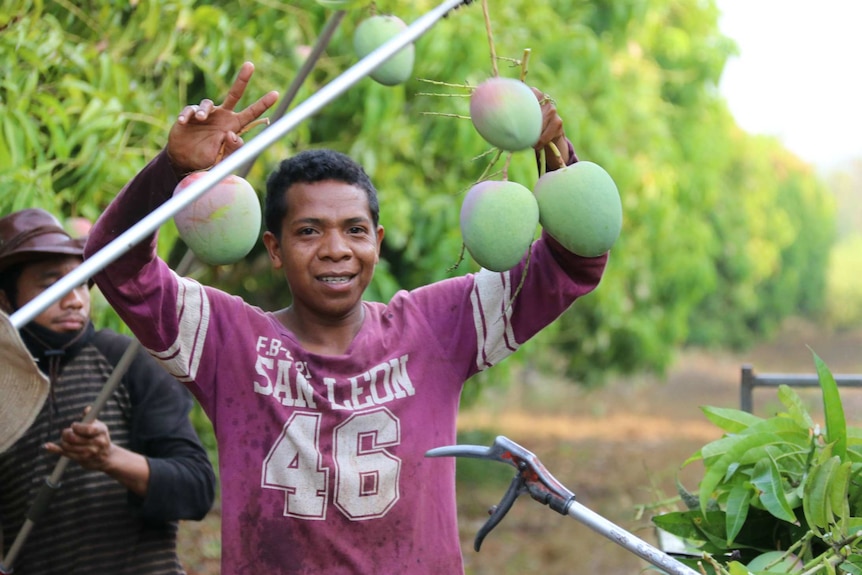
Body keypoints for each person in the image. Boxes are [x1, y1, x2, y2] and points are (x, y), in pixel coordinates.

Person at [84, 62, 609, 574]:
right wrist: (171, 171)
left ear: (376, 244)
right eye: (309, 231)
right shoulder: (230, 342)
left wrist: (555, 155)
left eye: (354, 230)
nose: (335, 249)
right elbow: (116, 263)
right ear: (274, 248)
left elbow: (571, 263)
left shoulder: (434, 329)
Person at [0, 208, 217, 574]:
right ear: (6, 299)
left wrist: (110, 459)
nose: (75, 300)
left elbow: (196, 489)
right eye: (50, 284)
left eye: (82, 282)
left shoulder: (129, 362)